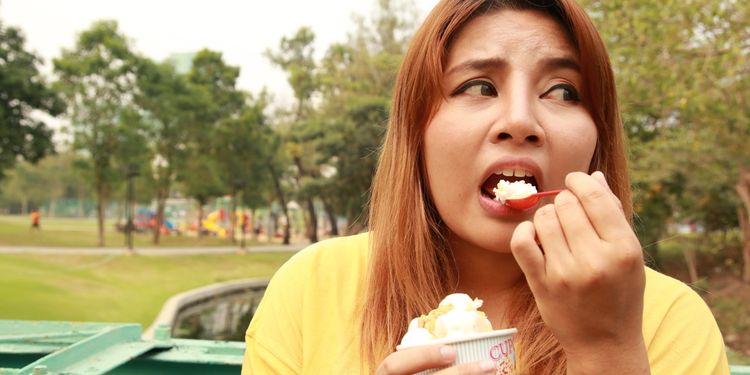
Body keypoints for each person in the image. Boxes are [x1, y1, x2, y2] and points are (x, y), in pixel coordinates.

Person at [242, 0, 730, 374]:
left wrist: (608, 349)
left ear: (598, 138)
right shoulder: (313, 287)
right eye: (478, 86)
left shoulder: (667, 320)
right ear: (417, 130)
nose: (520, 121)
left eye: (562, 91)